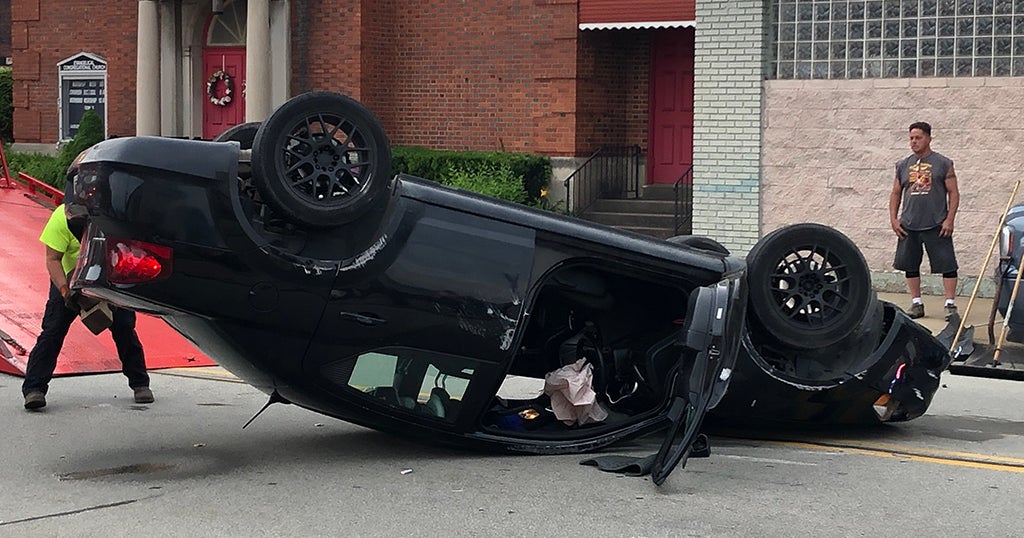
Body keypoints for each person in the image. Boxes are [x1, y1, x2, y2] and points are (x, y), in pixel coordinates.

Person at [21, 201, 154, 410]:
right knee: (53, 330)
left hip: (108, 276)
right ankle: (34, 389)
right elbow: (53, 259)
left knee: (124, 327)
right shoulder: (60, 218)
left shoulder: (114, 217)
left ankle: (140, 383)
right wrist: (64, 291)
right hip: (69, 278)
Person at [888, 121, 960, 321]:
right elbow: (895, 193)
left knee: (947, 264)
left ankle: (950, 304)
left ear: (929, 138)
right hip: (909, 224)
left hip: (937, 223)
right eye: (911, 138)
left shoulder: (943, 163)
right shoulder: (903, 165)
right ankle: (916, 303)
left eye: (918, 137)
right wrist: (894, 219)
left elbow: (954, 193)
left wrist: (949, 219)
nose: (914, 141)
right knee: (910, 265)